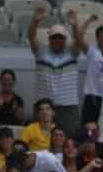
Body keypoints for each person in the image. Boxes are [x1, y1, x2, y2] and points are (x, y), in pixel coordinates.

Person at [28, 8, 80, 137]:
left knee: (68, 139)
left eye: (60, 38)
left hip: (68, 107)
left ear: (65, 39)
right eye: (54, 37)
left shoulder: (72, 52)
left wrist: (75, 25)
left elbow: (79, 40)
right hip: (43, 106)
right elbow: (31, 36)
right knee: (40, 139)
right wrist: (35, 21)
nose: (57, 40)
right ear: (49, 39)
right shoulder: (41, 51)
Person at [77, 17, 103, 125]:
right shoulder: (92, 51)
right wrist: (87, 21)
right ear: (97, 37)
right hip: (92, 97)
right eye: (102, 35)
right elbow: (78, 38)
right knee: (87, 131)